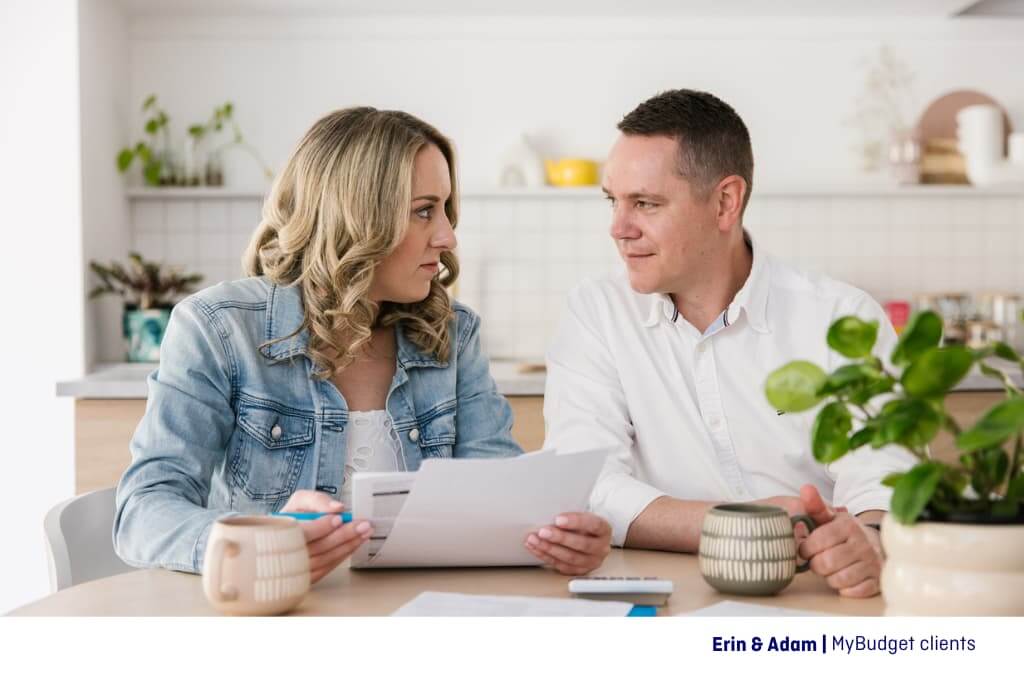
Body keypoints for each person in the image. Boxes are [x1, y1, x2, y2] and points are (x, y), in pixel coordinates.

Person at [114, 107, 611, 583]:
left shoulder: (453, 335)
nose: (447, 237)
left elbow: (498, 502)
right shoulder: (218, 329)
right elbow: (143, 511)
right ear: (355, 218)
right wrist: (257, 543)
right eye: (423, 211)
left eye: (445, 210)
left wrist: (552, 536)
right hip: (277, 616)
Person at [542, 89, 914, 598]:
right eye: (614, 201)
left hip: (821, 598)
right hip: (667, 599)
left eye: (645, 204)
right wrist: (745, 524)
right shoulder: (597, 313)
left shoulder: (841, 316)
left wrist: (868, 539)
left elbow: (884, 470)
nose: (618, 228)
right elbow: (584, 483)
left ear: (725, 202)